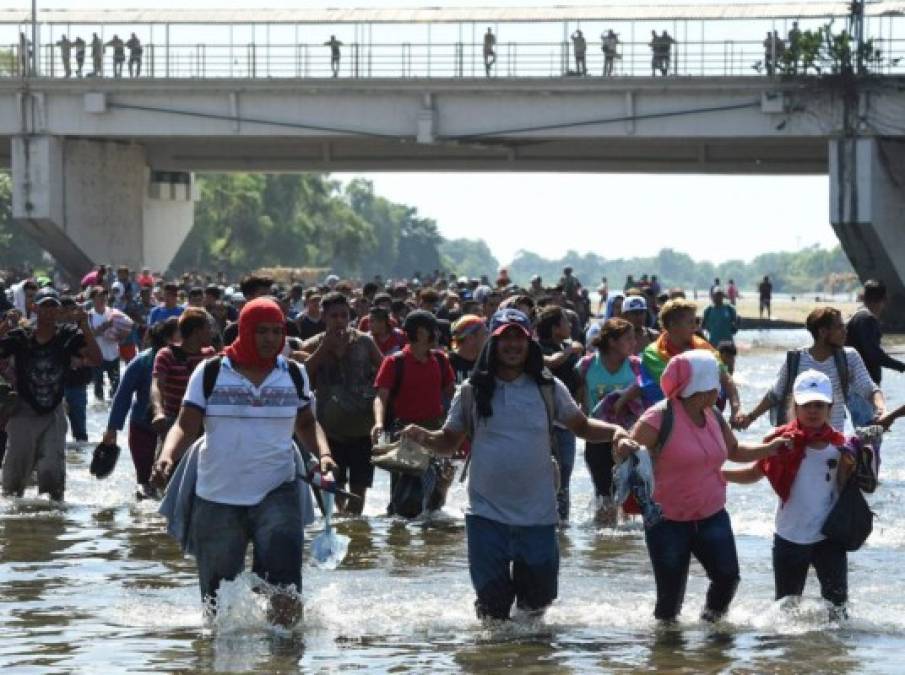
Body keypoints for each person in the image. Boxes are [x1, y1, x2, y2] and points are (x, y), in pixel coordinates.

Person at [403, 308, 636, 621]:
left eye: (519, 339)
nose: (512, 346)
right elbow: (448, 441)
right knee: (492, 609)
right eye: (504, 339)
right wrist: (424, 437)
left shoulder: (547, 387)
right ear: (493, 345)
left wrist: (616, 432)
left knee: (536, 605)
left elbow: (581, 426)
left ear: (530, 344)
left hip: (537, 515)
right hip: (486, 515)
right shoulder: (472, 391)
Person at [151, 298, 335, 627]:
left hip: (278, 490)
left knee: (285, 588)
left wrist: (324, 455)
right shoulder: (209, 372)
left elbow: (306, 423)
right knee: (218, 598)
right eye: (261, 331)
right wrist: (167, 456)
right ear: (245, 331)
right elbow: (186, 423)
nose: (269, 339)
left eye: (276, 331)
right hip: (218, 496)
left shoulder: (293, 374)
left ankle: (284, 658)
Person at [617, 350, 790, 622]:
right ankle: (667, 654)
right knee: (669, 603)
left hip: (712, 515)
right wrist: (623, 446)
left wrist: (769, 449)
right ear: (700, 385)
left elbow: (734, 450)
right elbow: (626, 453)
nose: (720, 386)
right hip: (666, 521)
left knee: (727, 577)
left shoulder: (713, 415)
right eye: (715, 381)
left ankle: (711, 627)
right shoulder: (658, 418)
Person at [724, 370, 857, 621]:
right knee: (784, 608)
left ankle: (835, 657)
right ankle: (787, 660)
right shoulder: (777, 441)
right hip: (789, 536)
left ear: (830, 408)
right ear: (795, 406)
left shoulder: (841, 445)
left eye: (819, 405)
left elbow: (844, 488)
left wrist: (853, 466)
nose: (813, 411)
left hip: (829, 536)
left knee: (838, 609)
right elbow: (754, 473)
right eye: (806, 404)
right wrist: (721, 475)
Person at [0, 288, 102, 501]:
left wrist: (85, 325)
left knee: (52, 475)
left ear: (59, 310)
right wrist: (4, 327)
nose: (49, 310)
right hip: (23, 411)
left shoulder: (68, 336)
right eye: (44, 305)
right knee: (13, 483)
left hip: (53, 413)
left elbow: (96, 359)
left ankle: (51, 526)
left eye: (53, 306)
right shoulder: (20, 336)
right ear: (34, 308)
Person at [299, 292, 383, 514]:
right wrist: (324, 348)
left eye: (344, 315)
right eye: (334, 316)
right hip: (329, 433)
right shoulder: (313, 344)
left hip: (362, 430)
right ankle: (341, 520)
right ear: (324, 317)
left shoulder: (365, 342)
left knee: (359, 489)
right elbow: (301, 375)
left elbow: (385, 375)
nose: (339, 321)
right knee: (333, 486)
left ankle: (354, 533)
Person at [738, 307, 885, 432]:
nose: (845, 332)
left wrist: (881, 409)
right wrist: (750, 417)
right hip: (798, 442)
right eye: (839, 327)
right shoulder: (796, 359)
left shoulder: (849, 357)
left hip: (833, 441)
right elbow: (775, 394)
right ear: (822, 332)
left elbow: (870, 389)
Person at [372, 310, 456, 518]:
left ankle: (431, 544)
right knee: (402, 500)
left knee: (437, 498)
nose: (439, 335)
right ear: (421, 333)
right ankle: (398, 544)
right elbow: (380, 397)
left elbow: (454, 395)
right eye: (434, 331)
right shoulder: (394, 362)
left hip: (436, 433)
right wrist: (378, 423)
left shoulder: (441, 360)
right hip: (405, 437)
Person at [576, 317, 644, 522]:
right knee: (604, 495)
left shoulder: (637, 366)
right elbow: (576, 400)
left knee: (628, 498)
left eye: (635, 338)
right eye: (629, 338)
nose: (635, 343)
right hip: (597, 437)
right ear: (612, 342)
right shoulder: (586, 365)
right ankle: (603, 544)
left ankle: (623, 547)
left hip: (628, 439)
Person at [103, 318, 179, 499]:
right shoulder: (142, 362)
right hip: (142, 427)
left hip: (174, 428)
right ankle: (142, 523)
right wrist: (112, 428)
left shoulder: (188, 359)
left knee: (171, 478)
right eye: (181, 332)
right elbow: (122, 396)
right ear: (168, 338)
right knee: (145, 480)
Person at [639, 299, 742, 427]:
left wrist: (736, 409)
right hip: (666, 420)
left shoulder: (702, 346)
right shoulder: (653, 353)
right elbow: (676, 391)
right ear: (672, 325)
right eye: (690, 322)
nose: (695, 327)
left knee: (731, 444)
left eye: (696, 321)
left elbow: (726, 379)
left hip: (702, 416)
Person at [537, 306, 584, 522]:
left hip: (567, 424)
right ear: (555, 328)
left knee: (564, 474)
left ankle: (562, 524)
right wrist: (569, 350)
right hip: (544, 424)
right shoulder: (538, 349)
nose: (570, 326)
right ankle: (542, 518)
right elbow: (552, 362)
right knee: (543, 475)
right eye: (566, 322)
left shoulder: (567, 350)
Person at [150, 308, 215, 452]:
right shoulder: (166, 355)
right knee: (167, 468)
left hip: (204, 423)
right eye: (208, 328)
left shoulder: (210, 355)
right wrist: (159, 412)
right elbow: (157, 385)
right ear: (197, 332)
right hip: (175, 422)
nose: (211, 332)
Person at [845, 280, 905, 386]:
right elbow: (874, 353)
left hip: (854, 379)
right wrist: (901, 366)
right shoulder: (867, 319)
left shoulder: (857, 316)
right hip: (864, 382)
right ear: (884, 300)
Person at [60, 296, 93, 442]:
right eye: (64, 310)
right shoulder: (52, 332)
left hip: (78, 385)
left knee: (80, 433)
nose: (68, 314)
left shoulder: (82, 330)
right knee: (55, 430)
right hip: (57, 387)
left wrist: (84, 360)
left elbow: (93, 356)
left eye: (71, 310)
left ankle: (79, 461)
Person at [87, 287, 124, 402]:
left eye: (105, 296)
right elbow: (90, 335)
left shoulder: (113, 313)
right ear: (93, 299)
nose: (103, 299)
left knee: (116, 388)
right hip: (97, 356)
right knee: (98, 389)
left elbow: (123, 330)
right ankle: (99, 412)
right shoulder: (89, 316)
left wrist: (121, 336)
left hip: (113, 354)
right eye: (100, 296)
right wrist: (105, 326)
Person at [449, 314, 488, 384]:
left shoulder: (486, 364)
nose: (488, 338)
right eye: (484, 334)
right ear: (470, 338)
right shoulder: (447, 364)